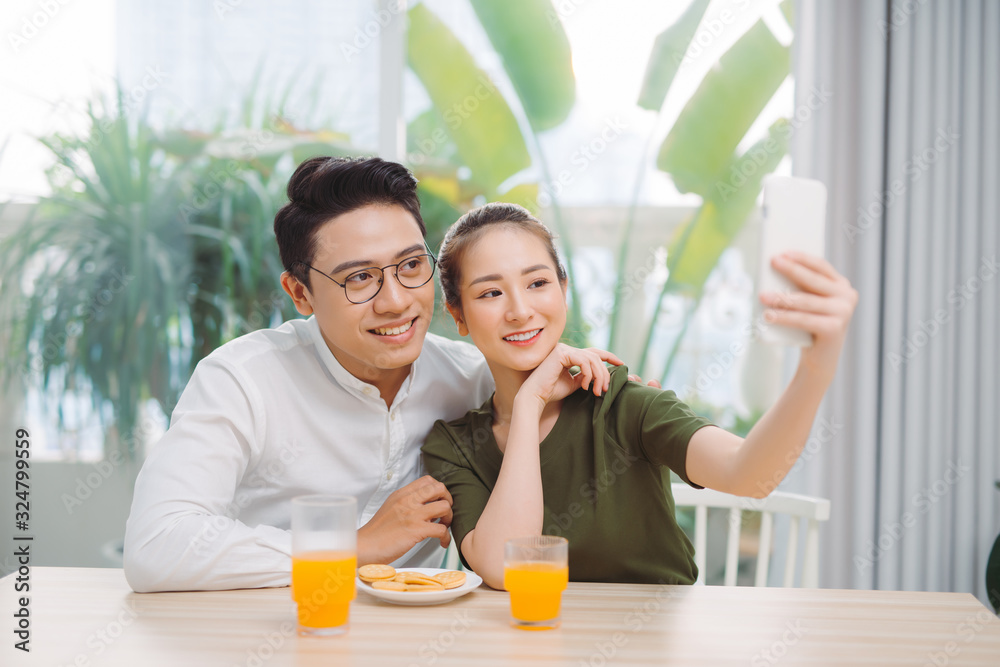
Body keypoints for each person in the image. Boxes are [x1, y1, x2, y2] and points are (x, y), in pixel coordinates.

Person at [421, 202, 858, 589]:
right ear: (457, 314)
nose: (519, 309)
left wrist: (815, 370)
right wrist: (530, 402)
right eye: (491, 293)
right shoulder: (455, 445)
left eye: (537, 283)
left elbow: (750, 476)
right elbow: (504, 568)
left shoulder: (624, 404)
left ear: (563, 288)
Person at [123, 156, 496, 592]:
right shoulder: (242, 379)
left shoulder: (471, 380)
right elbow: (155, 547)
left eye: (412, 266)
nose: (396, 301)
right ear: (300, 293)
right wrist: (353, 546)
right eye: (359, 277)